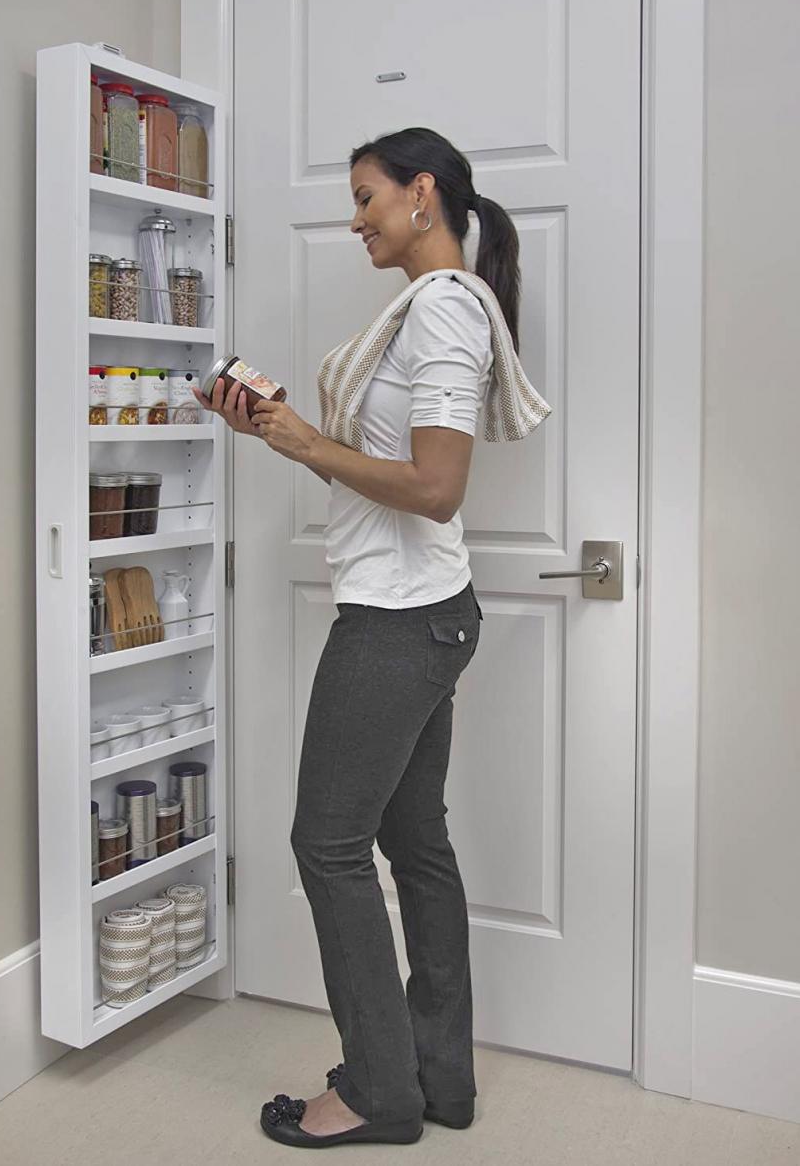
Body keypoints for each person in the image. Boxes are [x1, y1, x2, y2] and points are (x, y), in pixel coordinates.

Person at [197, 126, 549, 1150]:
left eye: (366, 198)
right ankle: (438, 1081)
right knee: (412, 842)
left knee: (329, 843)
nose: (355, 219)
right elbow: (387, 480)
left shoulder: (441, 313)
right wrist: (287, 434)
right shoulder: (430, 312)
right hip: (430, 613)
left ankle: (376, 1092)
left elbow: (437, 490)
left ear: (422, 195)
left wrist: (309, 438)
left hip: (397, 624)